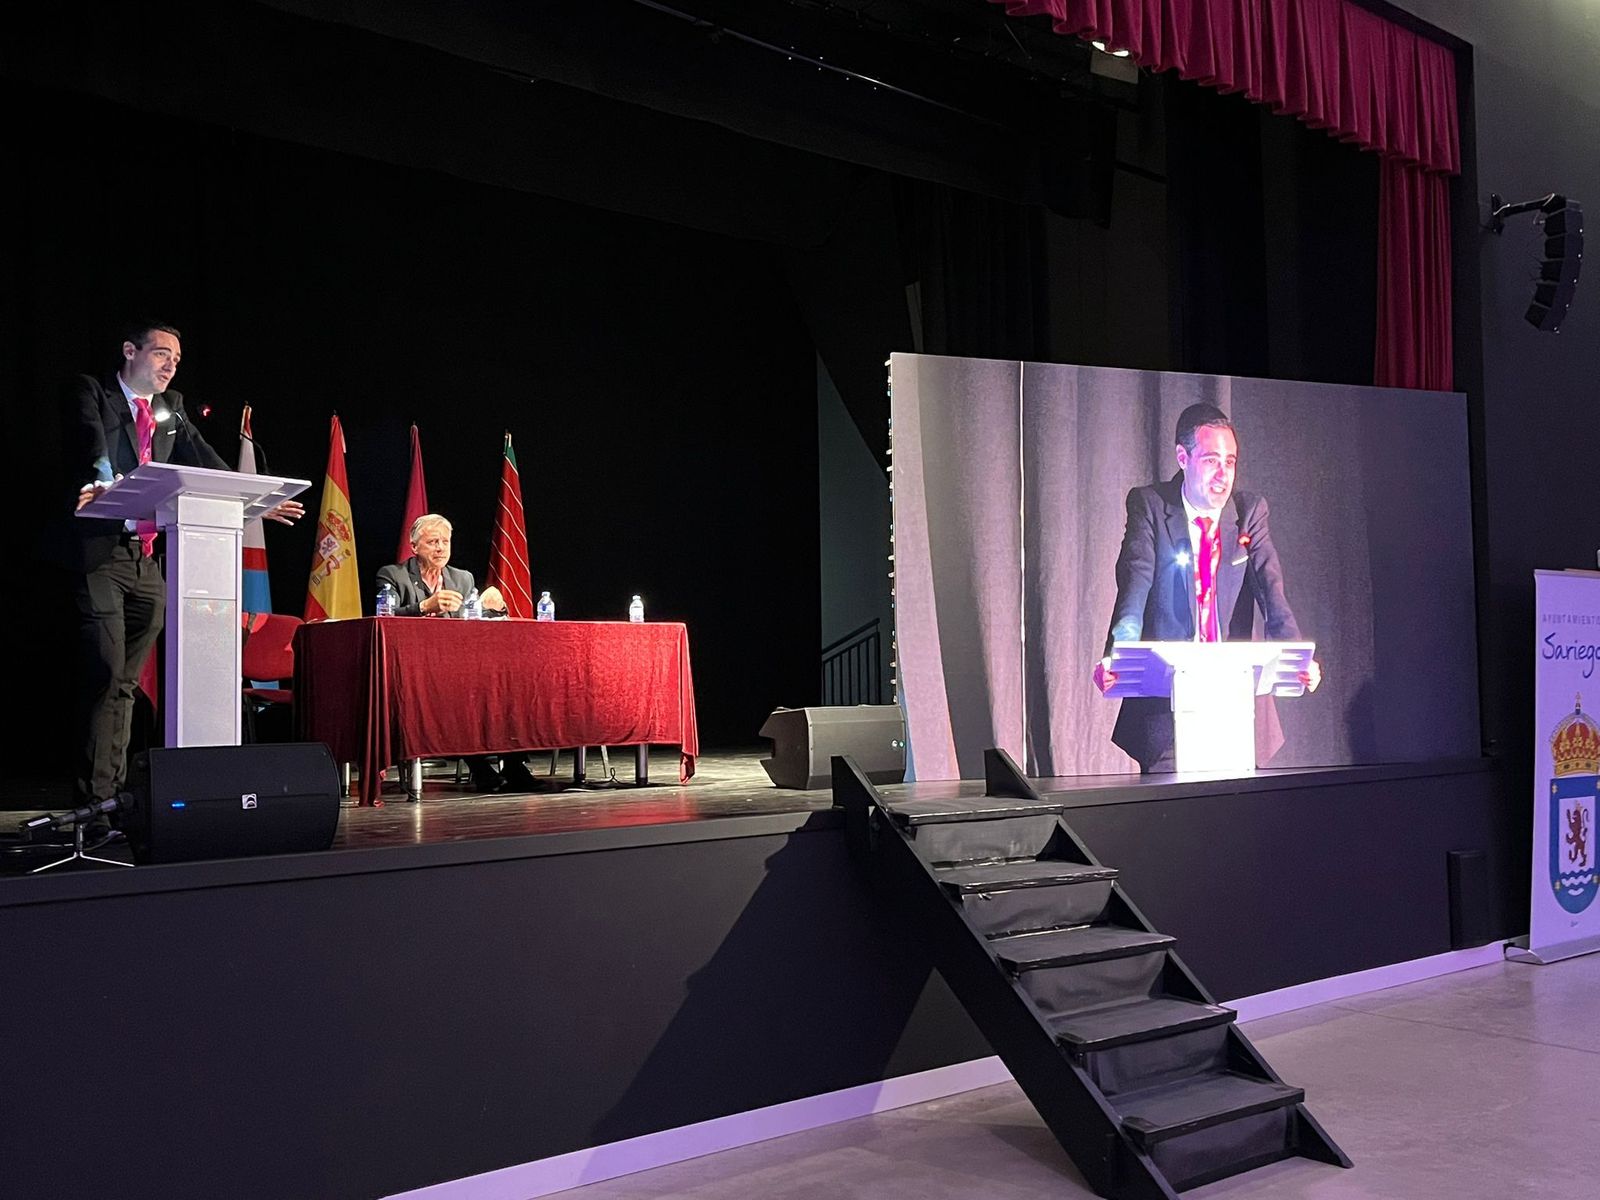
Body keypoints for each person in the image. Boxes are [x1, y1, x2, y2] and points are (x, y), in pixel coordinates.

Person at [58, 320, 304, 810]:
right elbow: (92, 443)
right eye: (161, 353)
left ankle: (111, 797)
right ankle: (92, 800)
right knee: (106, 675)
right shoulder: (95, 392)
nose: (171, 364)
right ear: (131, 351)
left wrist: (255, 499)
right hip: (98, 552)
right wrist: (101, 479)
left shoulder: (171, 408)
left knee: (126, 682)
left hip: (147, 559)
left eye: (177, 358)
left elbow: (205, 460)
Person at [1093, 402, 1318, 771]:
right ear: (1183, 457)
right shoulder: (1150, 505)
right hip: (1168, 709)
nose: (1223, 475)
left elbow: (1271, 589)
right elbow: (1135, 586)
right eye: (1212, 460)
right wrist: (1118, 656)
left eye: (1230, 462)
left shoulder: (1248, 512)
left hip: (1235, 705)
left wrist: (1297, 656)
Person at [377, 514, 533, 793]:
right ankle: (480, 767)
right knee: (459, 696)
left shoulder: (462, 578)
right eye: (432, 542)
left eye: (445, 542)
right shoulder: (392, 575)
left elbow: (473, 623)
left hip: (459, 666)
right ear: (414, 546)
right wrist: (424, 606)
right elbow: (383, 619)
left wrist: (495, 608)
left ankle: (513, 764)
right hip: (413, 670)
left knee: (505, 689)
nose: (440, 548)